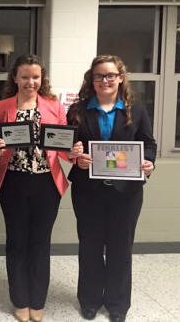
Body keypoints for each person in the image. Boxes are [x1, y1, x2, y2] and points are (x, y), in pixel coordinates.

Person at [0, 54, 83, 322]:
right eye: (25, 76)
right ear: (15, 78)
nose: (31, 82)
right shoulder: (1, 107)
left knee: (40, 242)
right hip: (13, 181)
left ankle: (37, 300)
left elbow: (61, 147)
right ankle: (20, 299)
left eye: (36, 77)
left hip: (46, 183)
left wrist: (72, 152)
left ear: (42, 78)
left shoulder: (54, 106)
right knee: (16, 241)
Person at [67, 55, 156, 322]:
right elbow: (69, 146)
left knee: (121, 248)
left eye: (110, 75)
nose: (104, 80)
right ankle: (90, 300)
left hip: (126, 193)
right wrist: (76, 156)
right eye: (99, 76)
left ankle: (118, 304)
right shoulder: (78, 110)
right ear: (91, 79)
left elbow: (148, 143)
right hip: (88, 191)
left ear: (120, 78)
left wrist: (148, 161)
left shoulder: (135, 110)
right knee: (90, 247)